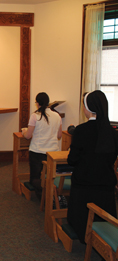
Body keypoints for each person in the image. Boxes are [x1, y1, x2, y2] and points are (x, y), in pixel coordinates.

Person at [67, 90, 118, 243]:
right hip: (106, 187)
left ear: (88, 108)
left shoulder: (81, 131)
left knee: (79, 221)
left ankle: (82, 232)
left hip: (83, 187)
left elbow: (72, 160)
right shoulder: (113, 133)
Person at [22, 92, 62, 199]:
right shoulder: (57, 116)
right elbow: (59, 135)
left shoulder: (35, 116)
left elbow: (28, 136)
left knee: (35, 178)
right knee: (49, 176)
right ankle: (50, 193)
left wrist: (23, 131)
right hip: (53, 153)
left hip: (37, 152)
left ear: (38, 103)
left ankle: (43, 196)